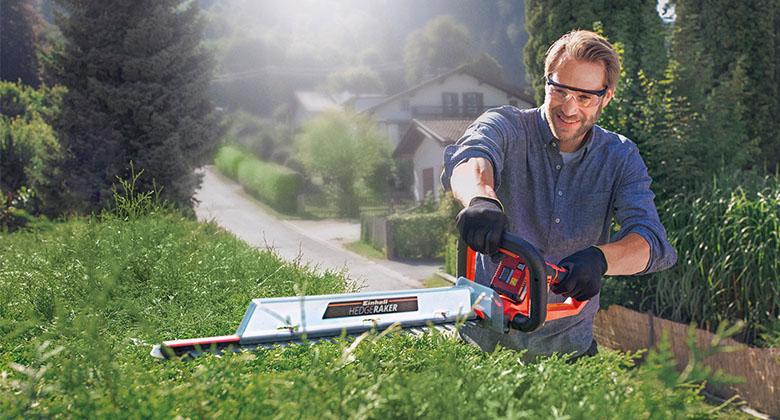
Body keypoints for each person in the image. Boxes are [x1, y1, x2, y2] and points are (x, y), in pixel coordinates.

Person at [440, 29, 677, 360]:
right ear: (546, 82)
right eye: (560, 90)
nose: (569, 108)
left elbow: (652, 243)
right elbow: (471, 157)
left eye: (584, 97)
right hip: (483, 345)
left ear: (606, 97)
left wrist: (601, 259)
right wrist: (481, 198)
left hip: (569, 351)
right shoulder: (506, 125)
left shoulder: (620, 157)